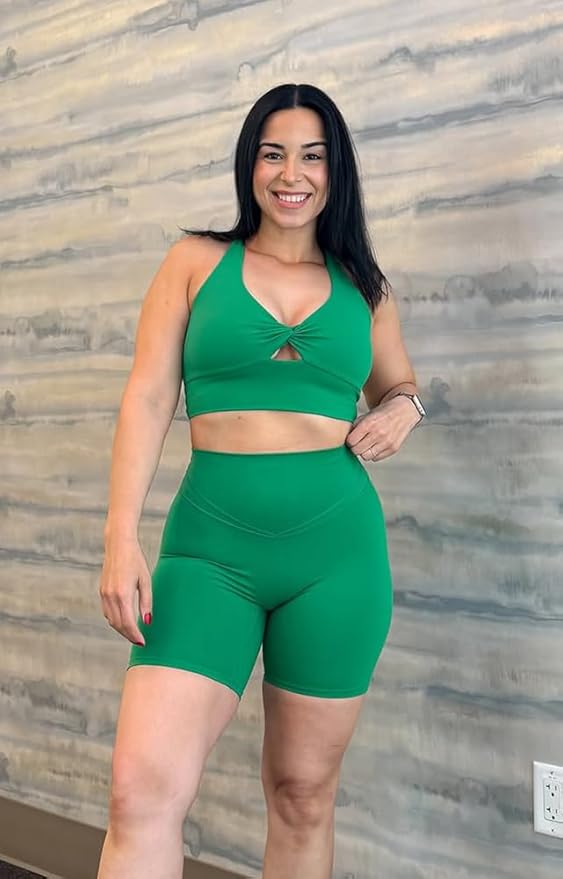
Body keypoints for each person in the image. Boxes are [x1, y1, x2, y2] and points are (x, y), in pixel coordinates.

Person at [96, 82, 426, 879]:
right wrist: (119, 536)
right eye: (273, 153)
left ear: (334, 170)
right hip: (208, 549)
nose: (291, 173)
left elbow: (399, 385)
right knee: (140, 792)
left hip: (336, 557)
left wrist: (405, 409)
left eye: (312, 156)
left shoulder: (365, 286)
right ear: (250, 164)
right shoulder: (193, 262)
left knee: (302, 794)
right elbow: (147, 396)